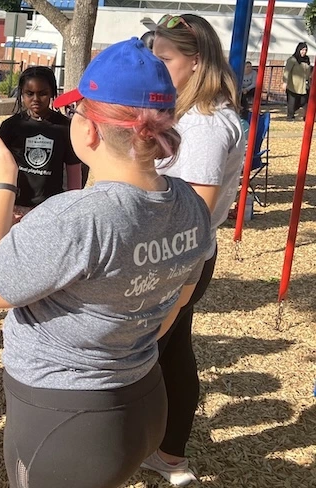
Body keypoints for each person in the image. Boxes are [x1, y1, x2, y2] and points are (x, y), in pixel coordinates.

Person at [0, 37, 212, 488]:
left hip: (67, 420)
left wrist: (2, 186)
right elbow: (179, 298)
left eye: (76, 111)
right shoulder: (191, 203)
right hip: (143, 398)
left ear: (91, 130)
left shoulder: (78, 217)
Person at [151, 14, 245, 485]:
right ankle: (168, 454)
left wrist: (174, 274)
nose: (155, 63)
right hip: (181, 255)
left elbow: (196, 210)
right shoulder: (192, 113)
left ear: (196, 60)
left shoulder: (206, 123)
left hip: (178, 257)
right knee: (172, 351)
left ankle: (142, 450)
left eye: (164, 56)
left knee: (150, 354)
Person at [0, 66, 84, 223]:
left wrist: (73, 205)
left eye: (42, 93)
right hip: (15, 207)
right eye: (29, 93)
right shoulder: (10, 126)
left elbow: (74, 168)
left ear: (52, 93)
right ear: (21, 93)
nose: (36, 99)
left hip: (52, 208)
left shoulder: (66, 127)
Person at [283, 42, 311, 121]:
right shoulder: (292, 59)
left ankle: (307, 117)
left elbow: (308, 71)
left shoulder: (306, 59)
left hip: (303, 86)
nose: (304, 52)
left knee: (304, 101)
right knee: (292, 102)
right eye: (302, 50)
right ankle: (290, 117)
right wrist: (285, 82)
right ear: (298, 50)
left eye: (305, 50)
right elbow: (287, 71)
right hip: (293, 85)